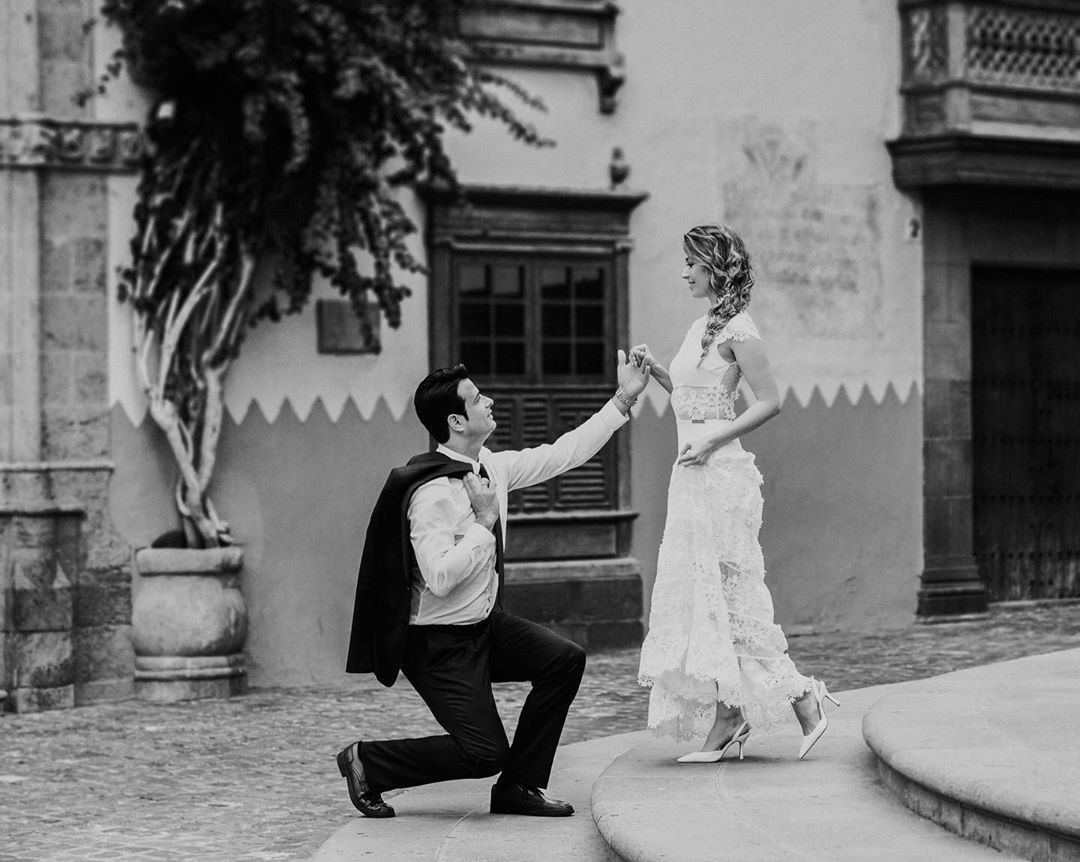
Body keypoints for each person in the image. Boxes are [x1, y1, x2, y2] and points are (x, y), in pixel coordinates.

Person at [338, 353, 650, 817]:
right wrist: (484, 523)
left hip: (485, 625)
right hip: (438, 644)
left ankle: (518, 788)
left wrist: (623, 399)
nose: (489, 401)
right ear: (455, 420)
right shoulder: (431, 495)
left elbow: (562, 453)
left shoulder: (490, 467)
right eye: (478, 398)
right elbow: (440, 578)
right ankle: (369, 761)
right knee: (483, 753)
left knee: (563, 661)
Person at [633, 224, 838, 764]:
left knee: (732, 596)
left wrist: (711, 442)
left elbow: (769, 401)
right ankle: (735, 713)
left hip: (721, 474)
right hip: (691, 474)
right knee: (709, 599)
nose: (683, 272)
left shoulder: (740, 329)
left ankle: (796, 701)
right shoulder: (700, 325)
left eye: (690, 263)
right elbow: (693, 398)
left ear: (713, 268)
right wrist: (655, 371)